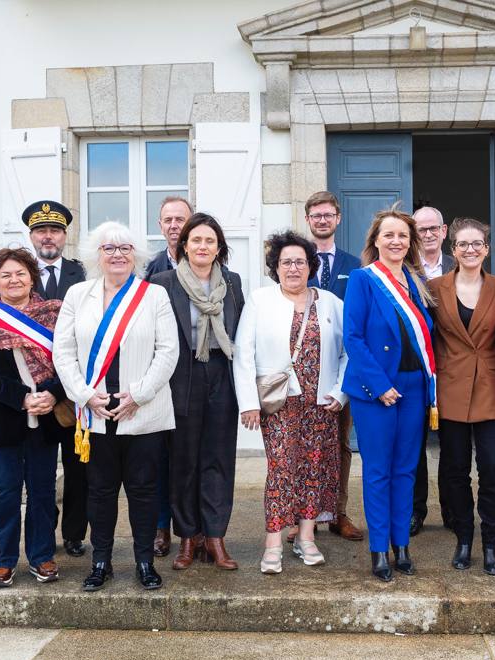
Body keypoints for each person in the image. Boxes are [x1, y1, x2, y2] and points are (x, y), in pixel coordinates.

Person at [53, 221, 179, 591]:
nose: (117, 254)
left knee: (143, 491)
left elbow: (168, 351)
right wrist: (84, 394)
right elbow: (63, 352)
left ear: (136, 254)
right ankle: (102, 560)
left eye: (125, 248)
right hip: (95, 411)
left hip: (142, 411)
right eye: (109, 248)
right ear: (97, 255)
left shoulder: (153, 295)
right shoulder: (78, 294)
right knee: (100, 491)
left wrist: (138, 395)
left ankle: (143, 561)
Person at [234, 231, 347, 574]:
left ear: (311, 266)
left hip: (320, 404)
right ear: (276, 267)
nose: (293, 268)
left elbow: (348, 354)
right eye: (286, 262)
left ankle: (306, 537)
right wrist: (248, 403)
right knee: (282, 469)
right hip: (279, 404)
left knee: (314, 470)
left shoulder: (331, 302)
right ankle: (273, 541)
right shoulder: (260, 301)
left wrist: (340, 392)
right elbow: (243, 354)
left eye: (300, 261)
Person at [0, 248, 65, 588]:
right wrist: (21, 398)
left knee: (43, 491)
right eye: (6, 275)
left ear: (32, 277)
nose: (14, 280)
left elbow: (72, 361)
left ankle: (42, 555)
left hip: (46, 415)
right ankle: (3, 559)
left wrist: (51, 393)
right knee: (4, 492)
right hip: (0, 417)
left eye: (20, 273)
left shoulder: (54, 314)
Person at [342, 207, 436, 582]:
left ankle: (402, 545)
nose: (396, 241)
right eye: (389, 235)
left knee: (406, 470)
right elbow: (354, 337)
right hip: (377, 388)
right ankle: (380, 548)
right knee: (378, 471)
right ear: (376, 242)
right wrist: (380, 386)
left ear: (410, 242)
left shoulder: (415, 281)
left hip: (414, 387)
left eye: (402, 236)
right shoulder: (363, 280)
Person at [150, 212, 243, 571]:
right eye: (196, 240)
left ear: (219, 247)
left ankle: (215, 537)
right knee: (183, 462)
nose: (202, 246)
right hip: (180, 377)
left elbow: (240, 333)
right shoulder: (163, 282)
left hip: (222, 374)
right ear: (183, 245)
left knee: (219, 459)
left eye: (210, 241)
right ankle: (189, 537)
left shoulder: (232, 283)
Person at [427, 218, 495, 575]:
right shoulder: (433, 288)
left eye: (477, 243)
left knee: (491, 469)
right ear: (453, 249)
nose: (471, 249)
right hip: (451, 389)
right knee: (454, 470)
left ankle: (491, 545)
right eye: (463, 244)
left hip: (492, 388)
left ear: (487, 249)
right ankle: (464, 538)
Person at [26, 200, 88, 558]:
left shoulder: (82, 274)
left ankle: (75, 534)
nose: (48, 236)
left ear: (65, 235)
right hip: (33, 392)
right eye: (41, 230)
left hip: (74, 388)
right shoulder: (18, 274)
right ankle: (43, 532)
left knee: (80, 467)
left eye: (55, 230)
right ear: (32, 235)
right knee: (40, 471)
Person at [304, 190, 364, 542]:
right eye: (316, 215)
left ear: (337, 219)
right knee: (303, 444)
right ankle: (304, 516)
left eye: (328, 215)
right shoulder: (295, 261)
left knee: (340, 443)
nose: (322, 220)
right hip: (305, 368)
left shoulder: (354, 265)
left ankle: (337, 513)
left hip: (345, 367)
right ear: (308, 220)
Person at [145, 195, 194, 558]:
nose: (175, 225)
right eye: (168, 220)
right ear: (160, 226)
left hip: (199, 375)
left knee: (192, 456)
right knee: (159, 457)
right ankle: (162, 527)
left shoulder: (207, 261)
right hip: (162, 376)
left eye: (181, 219)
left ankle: (192, 530)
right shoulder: (150, 268)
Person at [410, 205, 454, 535]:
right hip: (415, 367)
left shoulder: (463, 265)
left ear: (444, 231)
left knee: (452, 445)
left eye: (432, 228)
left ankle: (452, 510)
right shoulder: (403, 269)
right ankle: (416, 511)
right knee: (415, 446)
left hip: (453, 366)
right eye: (420, 229)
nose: (427, 234)